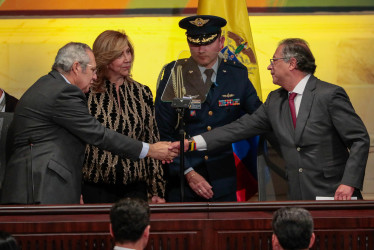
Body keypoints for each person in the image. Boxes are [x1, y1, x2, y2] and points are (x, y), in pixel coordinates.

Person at [174, 38, 370, 200]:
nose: (269, 66)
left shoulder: (329, 95)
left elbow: (359, 139)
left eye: (274, 60)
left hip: (335, 194)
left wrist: (349, 182)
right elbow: (238, 128)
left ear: (292, 63)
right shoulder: (275, 100)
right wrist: (192, 144)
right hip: (297, 196)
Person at [0, 42, 177, 205]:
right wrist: (150, 150)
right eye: (93, 70)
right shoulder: (64, 92)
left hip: (32, 184)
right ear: (76, 67)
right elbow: (98, 134)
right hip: (41, 188)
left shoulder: (46, 84)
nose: (95, 77)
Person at [155, 15, 262, 202]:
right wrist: (188, 172)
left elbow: (259, 116)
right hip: (183, 181)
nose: (201, 49)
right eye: (195, 43)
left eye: (207, 42)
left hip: (224, 178)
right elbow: (163, 132)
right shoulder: (174, 74)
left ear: (221, 42)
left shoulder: (237, 74)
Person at [82, 30, 165, 204]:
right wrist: (75, 190)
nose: (127, 59)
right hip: (95, 189)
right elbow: (75, 147)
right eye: (120, 54)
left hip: (135, 189)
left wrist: (156, 190)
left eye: (129, 52)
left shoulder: (142, 93)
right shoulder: (86, 93)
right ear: (105, 57)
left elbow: (152, 141)